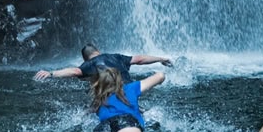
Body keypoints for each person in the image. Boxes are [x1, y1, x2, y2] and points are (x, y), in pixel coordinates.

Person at [89, 66, 165, 132]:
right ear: (120, 81)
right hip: (126, 122)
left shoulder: (97, 102)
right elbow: (160, 76)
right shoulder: (130, 88)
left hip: (102, 128)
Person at [34, 43, 172, 82]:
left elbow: (75, 71)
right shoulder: (116, 56)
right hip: (131, 90)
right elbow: (139, 59)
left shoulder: (90, 63)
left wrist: (51, 73)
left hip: (113, 95)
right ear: (98, 50)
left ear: (85, 59)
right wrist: (161, 59)